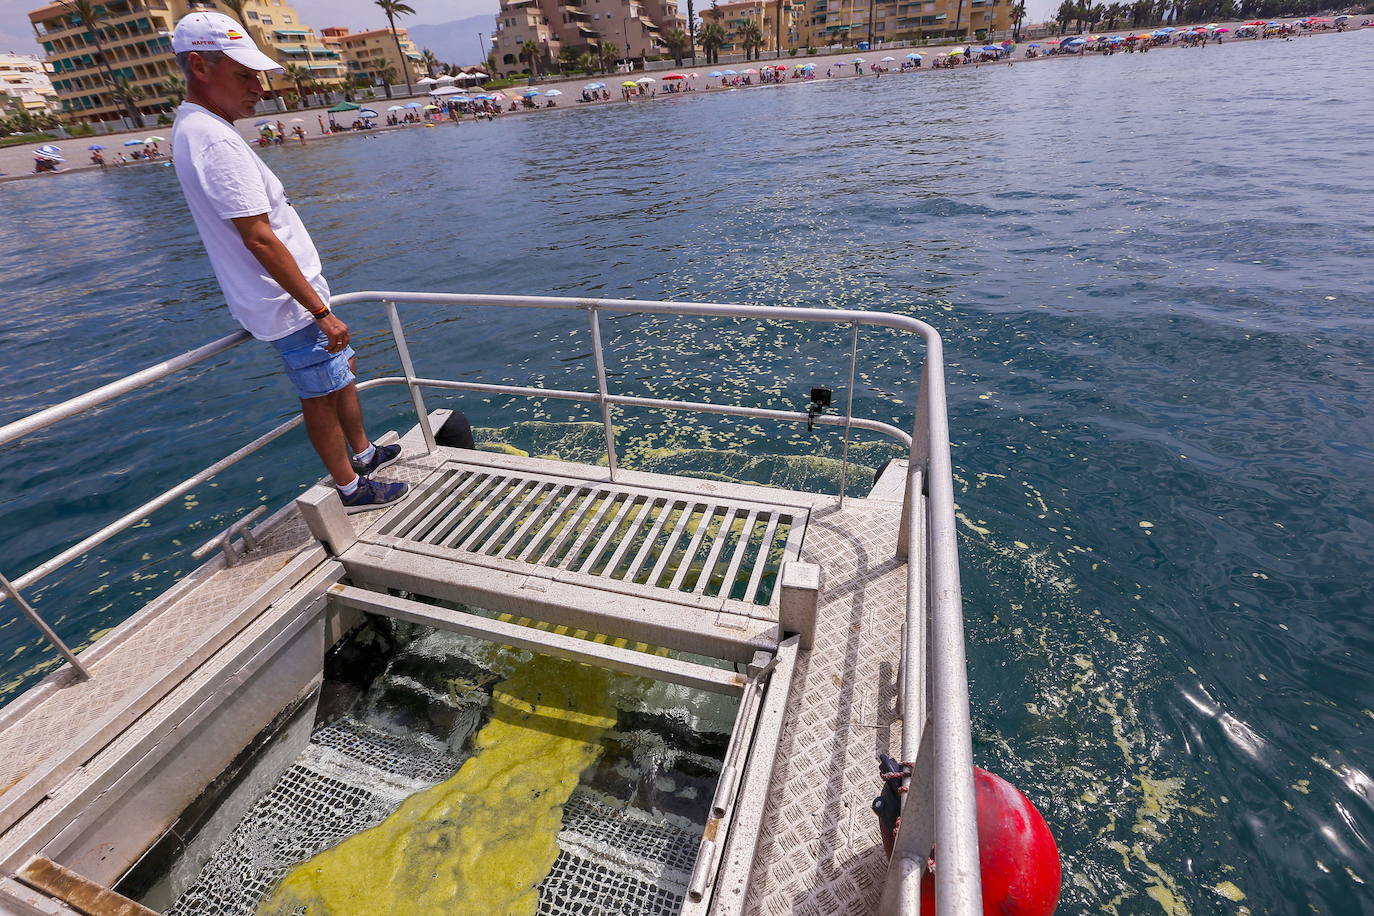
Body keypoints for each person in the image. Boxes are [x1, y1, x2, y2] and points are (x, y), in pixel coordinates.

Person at [170, 11, 408, 513]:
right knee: (319, 392)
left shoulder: (201, 128)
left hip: (298, 296)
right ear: (199, 65)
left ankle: (363, 456)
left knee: (340, 370)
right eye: (243, 75)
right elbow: (258, 237)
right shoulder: (213, 139)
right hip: (287, 303)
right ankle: (351, 489)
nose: (258, 87)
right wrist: (320, 312)